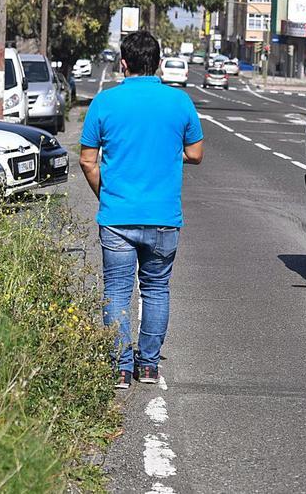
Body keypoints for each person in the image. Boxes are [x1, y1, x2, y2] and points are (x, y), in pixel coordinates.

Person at [79, 31, 204, 389]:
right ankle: (148, 366)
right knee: (156, 289)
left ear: (123, 64)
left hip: (117, 216)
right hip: (164, 218)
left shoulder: (105, 103)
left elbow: (88, 160)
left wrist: (106, 194)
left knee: (117, 291)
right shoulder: (179, 102)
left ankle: (121, 368)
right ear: (160, 64)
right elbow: (195, 153)